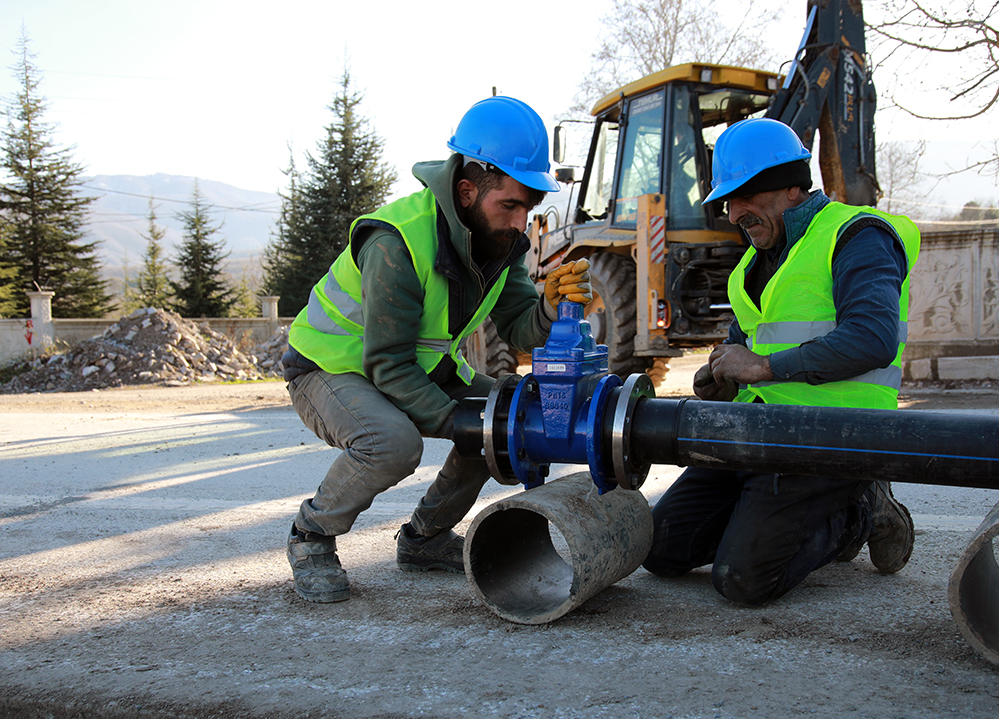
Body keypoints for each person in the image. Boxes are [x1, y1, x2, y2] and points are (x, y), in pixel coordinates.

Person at [280, 96, 592, 603]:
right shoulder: (398, 242)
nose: (520, 222)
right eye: (509, 205)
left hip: (408, 365)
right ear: (468, 190)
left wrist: (550, 309)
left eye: (528, 208)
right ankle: (311, 536)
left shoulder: (500, 242)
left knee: (503, 419)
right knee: (395, 444)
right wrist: (457, 422)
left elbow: (517, 326)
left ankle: (424, 538)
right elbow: (387, 363)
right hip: (327, 369)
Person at [643, 117, 921, 607]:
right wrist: (721, 378)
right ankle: (765, 519)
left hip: (831, 439)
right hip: (757, 432)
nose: (734, 213)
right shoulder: (752, 265)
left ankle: (862, 506)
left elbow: (873, 338)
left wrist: (764, 368)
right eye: (728, 201)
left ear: (792, 185)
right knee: (660, 550)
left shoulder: (857, 236)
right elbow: (745, 349)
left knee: (743, 581)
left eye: (744, 196)